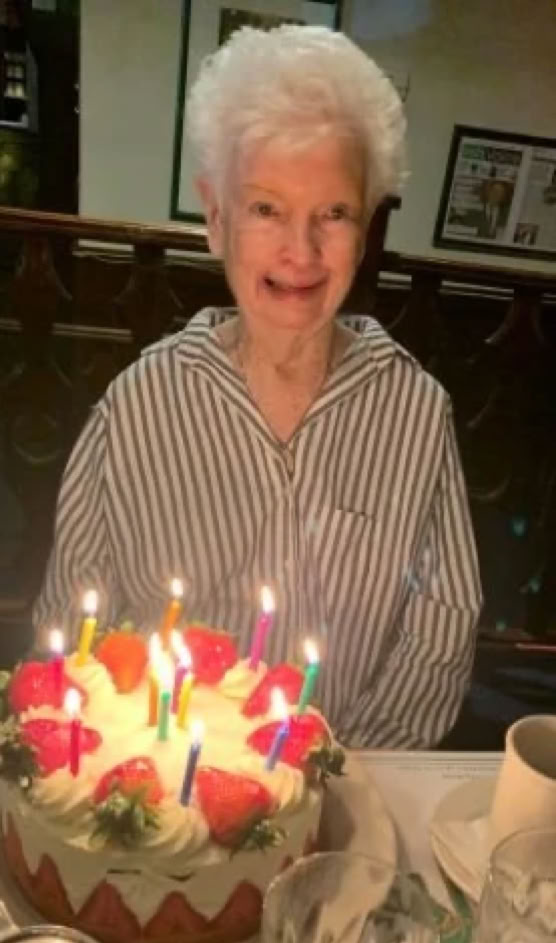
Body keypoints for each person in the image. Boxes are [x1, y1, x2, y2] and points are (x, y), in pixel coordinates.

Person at [35, 25, 482, 748]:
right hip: (160, 780)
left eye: (333, 213)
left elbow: (442, 626)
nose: (300, 251)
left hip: (346, 776)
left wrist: (342, 774)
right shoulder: (137, 405)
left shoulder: (417, 411)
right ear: (217, 219)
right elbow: (74, 620)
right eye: (266, 209)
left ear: (366, 229)